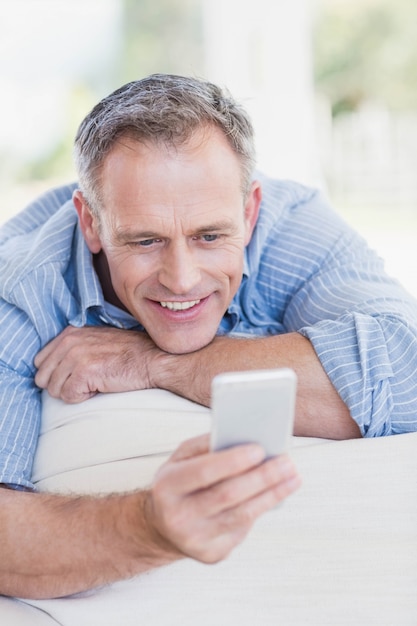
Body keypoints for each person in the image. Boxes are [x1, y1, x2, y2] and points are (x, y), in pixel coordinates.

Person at [0, 74, 416, 599]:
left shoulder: (295, 226)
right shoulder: (18, 290)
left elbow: (406, 372)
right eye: (146, 240)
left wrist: (156, 362)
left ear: (250, 210)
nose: (182, 278)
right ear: (92, 223)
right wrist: (150, 526)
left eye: (210, 237)